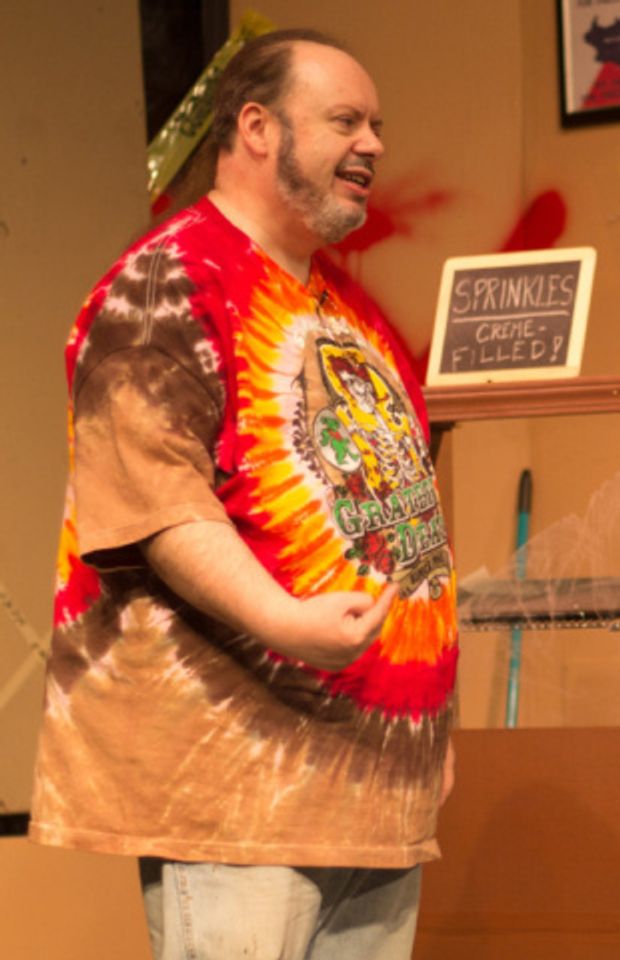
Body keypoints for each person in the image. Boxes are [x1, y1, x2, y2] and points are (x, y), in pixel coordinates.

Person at [29, 29, 457, 960]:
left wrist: (425, 717)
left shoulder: (344, 308)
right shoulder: (163, 286)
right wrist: (289, 621)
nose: (374, 145)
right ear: (257, 128)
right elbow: (154, 502)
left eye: (377, 124)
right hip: (237, 794)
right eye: (345, 120)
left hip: (369, 791)